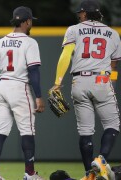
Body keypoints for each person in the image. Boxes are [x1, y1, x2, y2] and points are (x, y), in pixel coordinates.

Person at [50, 0, 121, 179]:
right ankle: (102, 160)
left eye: (79, 13)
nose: (78, 16)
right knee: (112, 125)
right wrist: (109, 84)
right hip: (101, 78)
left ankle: (89, 174)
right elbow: (113, 65)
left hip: (79, 81)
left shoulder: (74, 29)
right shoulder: (112, 33)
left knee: (85, 130)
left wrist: (58, 82)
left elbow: (65, 55)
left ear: (84, 14)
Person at [0, 6, 45, 180]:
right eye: (31, 21)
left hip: (0, 88)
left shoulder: (0, 42)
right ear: (27, 21)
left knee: (1, 130)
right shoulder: (30, 42)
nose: (31, 24)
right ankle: (30, 173)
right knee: (27, 131)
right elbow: (34, 72)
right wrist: (38, 96)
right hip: (18, 87)